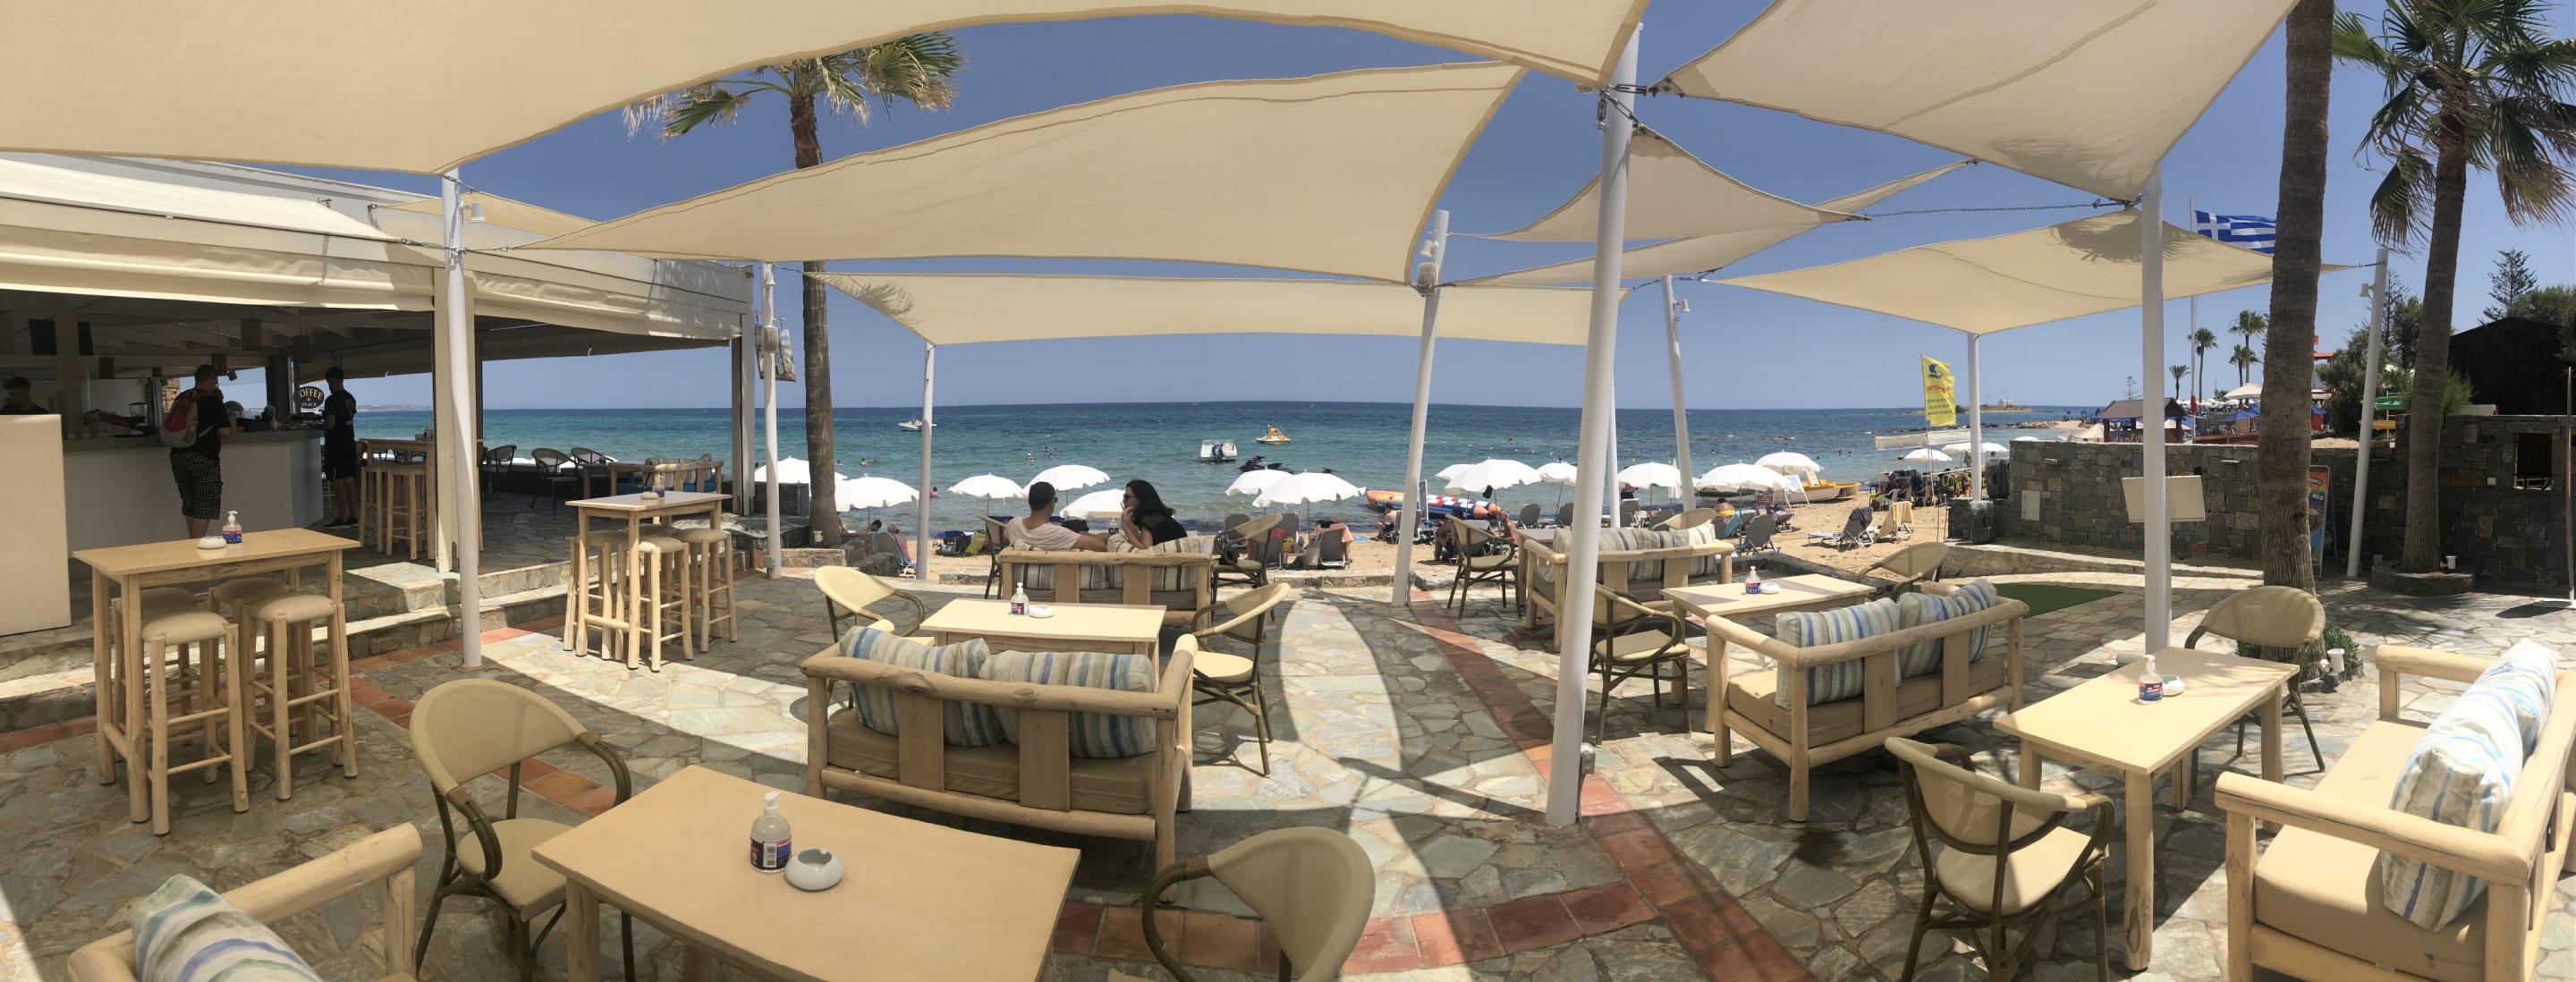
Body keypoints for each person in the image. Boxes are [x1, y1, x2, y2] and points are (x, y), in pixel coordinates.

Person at [168, 364, 234, 538]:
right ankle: (195, 545)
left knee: (189, 501)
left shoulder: (182, 397)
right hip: (203, 457)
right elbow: (225, 432)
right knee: (204, 504)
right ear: (211, 380)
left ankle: (191, 544)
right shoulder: (212, 401)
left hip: (178, 455)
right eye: (215, 381)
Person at [1004, 481, 1108, 551]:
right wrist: (1087, 535)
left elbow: (1007, 540)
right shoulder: (1056, 534)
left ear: (1029, 502)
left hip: (1018, 576)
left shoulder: (1013, 525)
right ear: (1051, 503)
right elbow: (1101, 547)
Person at [319, 367, 360, 528]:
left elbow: (330, 424)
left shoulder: (332, 400)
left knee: (337, 481)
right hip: (349, 442)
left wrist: (319, 427)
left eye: (328, 382)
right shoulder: (350, 398)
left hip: (336, 444)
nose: (328, 385)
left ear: (333, 380)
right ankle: (353, 517)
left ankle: (342, 518)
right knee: (349, 480)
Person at [1119, 479, 1187, 547]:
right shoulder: (1156, 514)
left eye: (1127, 497)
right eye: (1124, 496)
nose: (1124, 500)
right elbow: (1139, 540)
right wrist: (1129, 524)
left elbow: (1145, 549)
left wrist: (1124, 526)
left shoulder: (1150, 518)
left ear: (1141, 499)